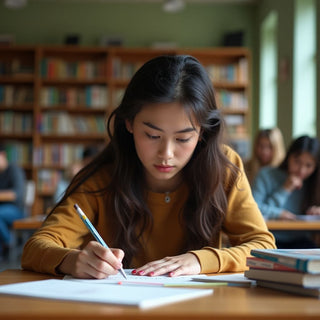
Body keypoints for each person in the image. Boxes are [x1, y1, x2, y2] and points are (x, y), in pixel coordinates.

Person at [21, 55, 275, 278]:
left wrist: (200, 260)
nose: (166, 154)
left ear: (203, 133)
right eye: (152, 136)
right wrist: (72, 260)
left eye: (183, 138)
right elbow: (36, 247)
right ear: (129, 123)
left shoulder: (224, 167)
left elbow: (263, 245)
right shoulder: (102, 176)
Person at [252, 135, 320, 248]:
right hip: (268, 239)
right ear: (288, 156)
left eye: (309, 165)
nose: (302, 170)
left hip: (301, 242)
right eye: (297, 161)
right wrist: (285, 190)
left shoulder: (314, 183)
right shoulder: (266, 175)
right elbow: (253, 209)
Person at [0, 143, 26, 259]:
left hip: (16, 210)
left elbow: (16, 194)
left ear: (3, 155)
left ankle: (9, 241)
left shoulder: (14, 170)